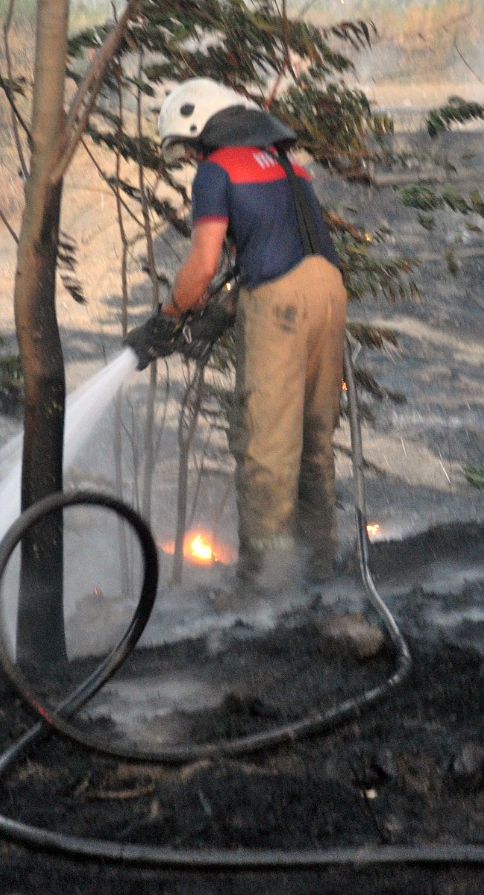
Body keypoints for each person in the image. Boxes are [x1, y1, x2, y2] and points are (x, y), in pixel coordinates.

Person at [145, 78, 347, 595]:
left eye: (191, 148)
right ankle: (319, 569)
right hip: (329, 291)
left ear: (206, 133)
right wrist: (223, 310)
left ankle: (266, 584)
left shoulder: (216, 170)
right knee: (314, 441)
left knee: (267, 449)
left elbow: (205, 261)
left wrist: (170, 316)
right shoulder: (288, 166)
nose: (193, 158)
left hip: (279, 304)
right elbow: (283, 247)